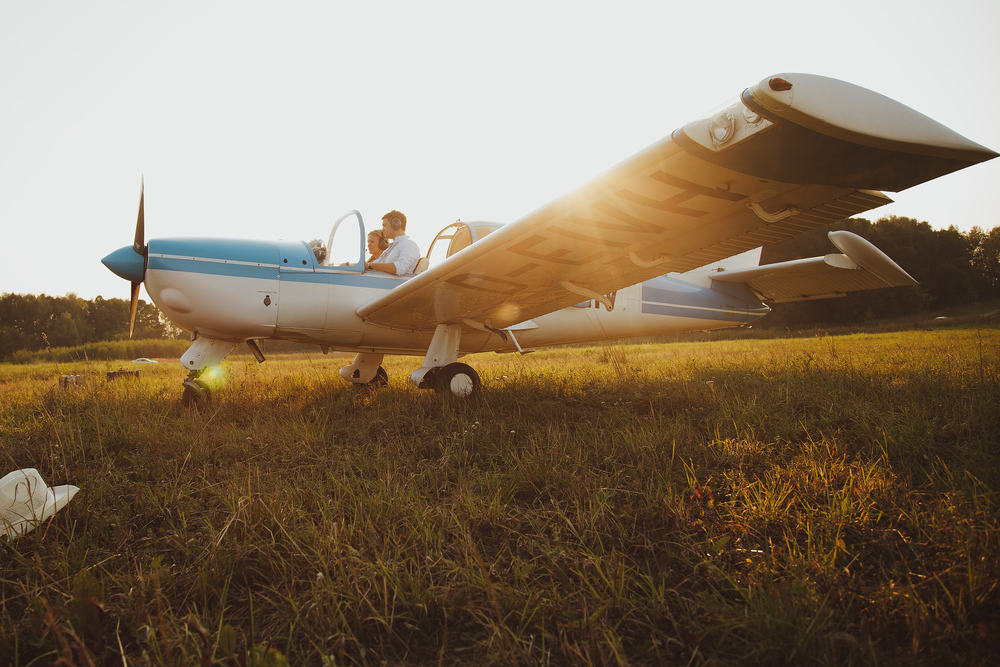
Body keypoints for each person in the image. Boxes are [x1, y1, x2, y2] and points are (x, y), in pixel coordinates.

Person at [366, 210, 420, 275]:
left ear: (396, 223)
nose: (382, 229)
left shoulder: (409, 244)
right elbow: (374, 263)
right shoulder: (390, 248)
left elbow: (400, 268)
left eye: (384, 225)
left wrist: (370, 265)